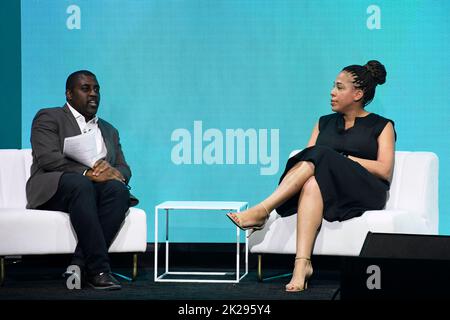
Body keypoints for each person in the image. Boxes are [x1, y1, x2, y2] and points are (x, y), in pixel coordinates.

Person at [227, 60, 396, 292]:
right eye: (333, 86)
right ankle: (302, 265)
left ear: (357, 93)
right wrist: (330, 160)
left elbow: (384, 170)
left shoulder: (381, 125)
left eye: (339, 87)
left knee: (322, 154)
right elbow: (308, 162)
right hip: (327, 189)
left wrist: (344, 159)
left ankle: (262, 210)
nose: (332, 92)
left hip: (365, 191)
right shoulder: (323, 122)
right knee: (312, 180)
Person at [26, 70, 138, 290]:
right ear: (69, 94)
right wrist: (89, 173)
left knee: (118, 191)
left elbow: (124, 167)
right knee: (81, 183)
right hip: (56, 186)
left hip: (93, 190)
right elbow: (48, 158)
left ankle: (79, 263)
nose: (93, 94)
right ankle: (99, 270)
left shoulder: (108, 130)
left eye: (96, 89)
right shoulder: (49, 117)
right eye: (85, 89)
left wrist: (116, 174)